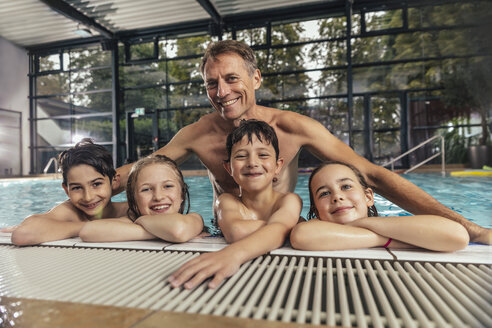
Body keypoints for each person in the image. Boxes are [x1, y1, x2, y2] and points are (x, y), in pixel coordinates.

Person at [114, 39, 490, 245]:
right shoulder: (197, 133)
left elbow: (372, 176)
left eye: (231, 79)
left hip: (289, 232)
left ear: (256, 78)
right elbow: (142, 172)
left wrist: (471, 228)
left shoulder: (293, 128)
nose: (221, 91)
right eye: (212, 83)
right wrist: (89, 186)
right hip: (227, 232)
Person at [168, 119, 302, 289]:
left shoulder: (289, 200)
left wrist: (233, 255)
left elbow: (276, 228)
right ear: (229, 168)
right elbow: (236, 231)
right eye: (241, 156)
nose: (252, 163)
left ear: (277, 166)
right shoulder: (226, 200)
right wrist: (284, 230)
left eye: (263, 155)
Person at [290, 162, 470, 251]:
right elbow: (302, 234)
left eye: (346, 186)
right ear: (315, 211)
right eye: (324, 193)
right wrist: (383, 239)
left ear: (368, 197)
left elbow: (458, 236)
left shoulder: (389, 225)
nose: (337, 196)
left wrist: (361, 225)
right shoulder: (388, 234)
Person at [7, 138, 128, 246]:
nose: (88, 197)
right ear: (66, 190)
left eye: (96, 184)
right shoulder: (71, 211)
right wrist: (93, 226)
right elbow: (22, 234)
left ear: (114, 181)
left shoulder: (128, 209)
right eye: (77, 188)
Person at [79, 155, 203, 243]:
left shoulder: (194, 218)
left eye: (168, 186)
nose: (158, 197)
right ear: (134, 199)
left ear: (181, 194)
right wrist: (159, 232)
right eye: (146, 189)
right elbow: (88, 231)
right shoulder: (134, 220)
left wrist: (142, 221)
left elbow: (178, 230)